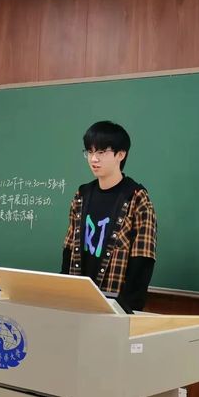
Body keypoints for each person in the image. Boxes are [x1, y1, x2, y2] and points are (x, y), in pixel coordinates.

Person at [61, 120, 157, 311]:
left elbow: (143, 259)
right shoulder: (82, 195)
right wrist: (64, 294)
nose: (93, 159)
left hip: (115, 304)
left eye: (101, 152)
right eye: (89, 152)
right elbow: (69, 248)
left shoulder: (136, 197)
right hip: (77, 301)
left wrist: (126, 308)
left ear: (120, 154)